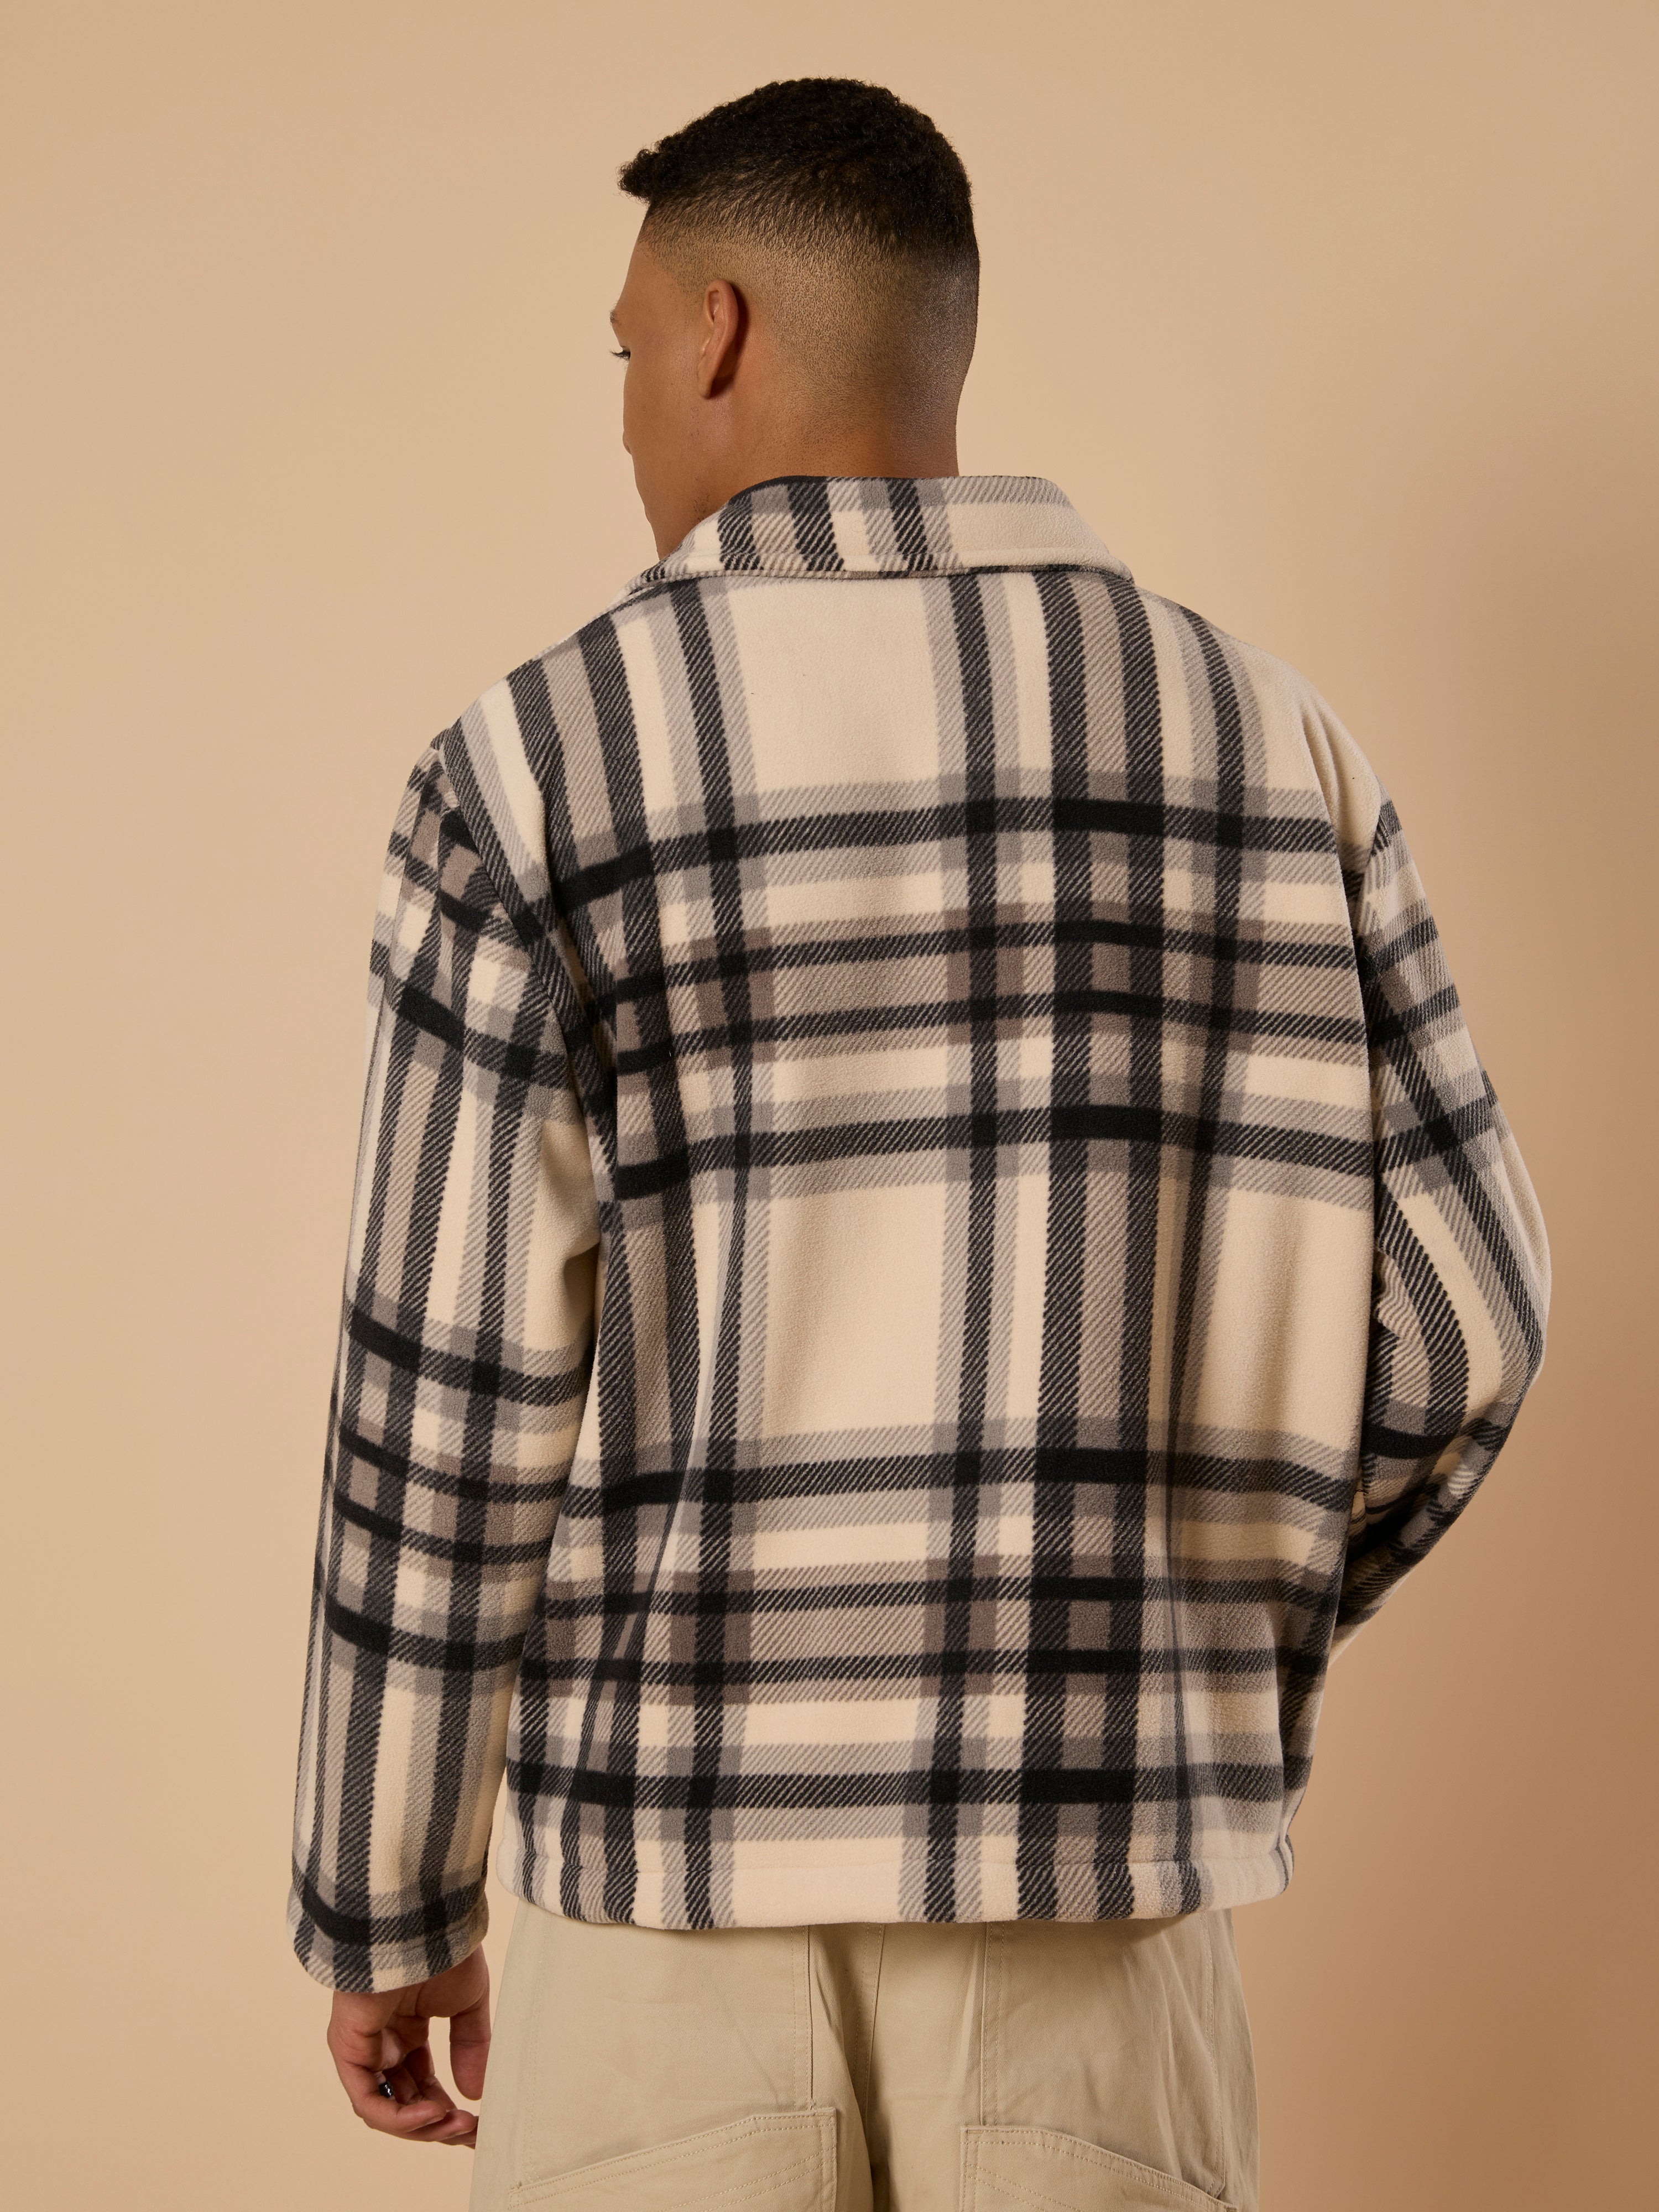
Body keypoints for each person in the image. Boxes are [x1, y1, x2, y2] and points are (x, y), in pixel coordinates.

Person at [286, 77, 1549, 2212]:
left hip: (664, 1910)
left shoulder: (534, 770)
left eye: (625, 350)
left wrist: (386, 1900)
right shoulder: (1268, 748)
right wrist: (1172, 1617)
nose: (625, 415)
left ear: (716, 331)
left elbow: (448, 1402)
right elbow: (1466, 1328)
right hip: (1094, 1911)